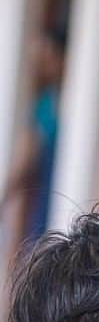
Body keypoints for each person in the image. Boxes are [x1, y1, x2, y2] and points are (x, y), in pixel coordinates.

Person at [0, 27, 66, 242]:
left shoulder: (54, 106)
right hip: (46, 202)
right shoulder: (46, 105)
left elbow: (24, 159)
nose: (40, 67)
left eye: (46, 59)